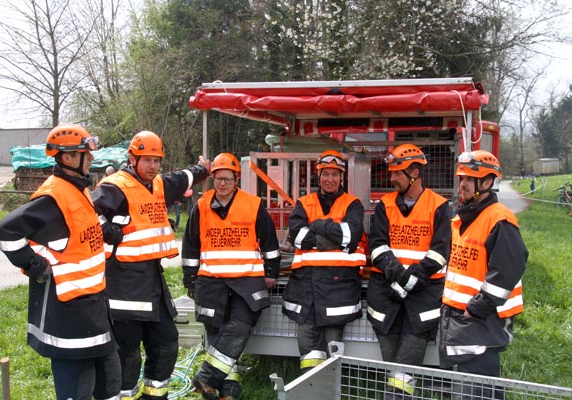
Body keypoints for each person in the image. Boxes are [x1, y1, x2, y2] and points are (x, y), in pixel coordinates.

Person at [0, 124, 121, 400]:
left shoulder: (78, 189)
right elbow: (5, 231)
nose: (93, 159)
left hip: (94, 308)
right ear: (68, 157)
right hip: (70, 315)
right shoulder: (53, 197)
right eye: (87, 154)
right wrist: (34, 263)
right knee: (78, 388)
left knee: (110, 382)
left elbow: (80, 222)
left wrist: (104, 229)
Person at [91, 130, 210, 400]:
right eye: (147, 160)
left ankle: (154, 396)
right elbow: (85, 212)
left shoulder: (158, 184)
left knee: (167, 344)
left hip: (152, 280)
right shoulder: (114, 186)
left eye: (157, 161)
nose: (153, 167)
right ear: (132, 158)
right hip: (123, 283)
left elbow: (184, 178)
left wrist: (202, 169)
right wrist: (107, 229)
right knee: (128, 353)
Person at [182, 152, 280, 400]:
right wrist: (190, 280)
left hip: (246, 282)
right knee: (216, 335)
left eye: (227, 179)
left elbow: (269, 243)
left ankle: (205, 377)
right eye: (218, 179)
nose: (222, 184)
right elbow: (191, 247)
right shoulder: (202, 205)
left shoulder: (253, 205)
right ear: (213, 178)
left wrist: (270, 273)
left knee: (238, 328)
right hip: (211, 282)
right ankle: (226, 390)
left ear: (236, 179)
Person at [365, 144, 451, 399]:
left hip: (424, 292)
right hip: (386, 291)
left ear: (414, 172)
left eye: (397, 174)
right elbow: (377, 244)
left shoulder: (439, 206)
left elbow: (440, 251)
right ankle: (400, 394)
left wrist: (412, 277)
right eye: (391, 173)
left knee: (405, 364)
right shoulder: (385, 205)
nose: (391, 179)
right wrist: (394, 270)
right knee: (394, 361)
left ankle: (397, 396)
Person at [440, 150, 527, 399]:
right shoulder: (462, 216)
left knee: (477, 385)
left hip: (481, 317)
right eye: (461, 178)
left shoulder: (499, 219)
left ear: (487, 182)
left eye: (469, 179)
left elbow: (508, 269)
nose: (462, 184)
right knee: (466, 383)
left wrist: (477, 307)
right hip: (459, 316)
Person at [282, 150, 367, 374]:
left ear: (342, 177)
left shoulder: (353, 204)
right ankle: (311, 385)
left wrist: (318, 225)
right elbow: (298, 237)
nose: (330, 179)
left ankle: (329, 384)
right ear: (318, 177)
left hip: (339, 283)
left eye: (334, 174)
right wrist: (333, 236)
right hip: (306, 284)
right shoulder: (304, 203)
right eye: (325, 174)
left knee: (332, 341)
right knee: (307, 342)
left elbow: (351, 236)